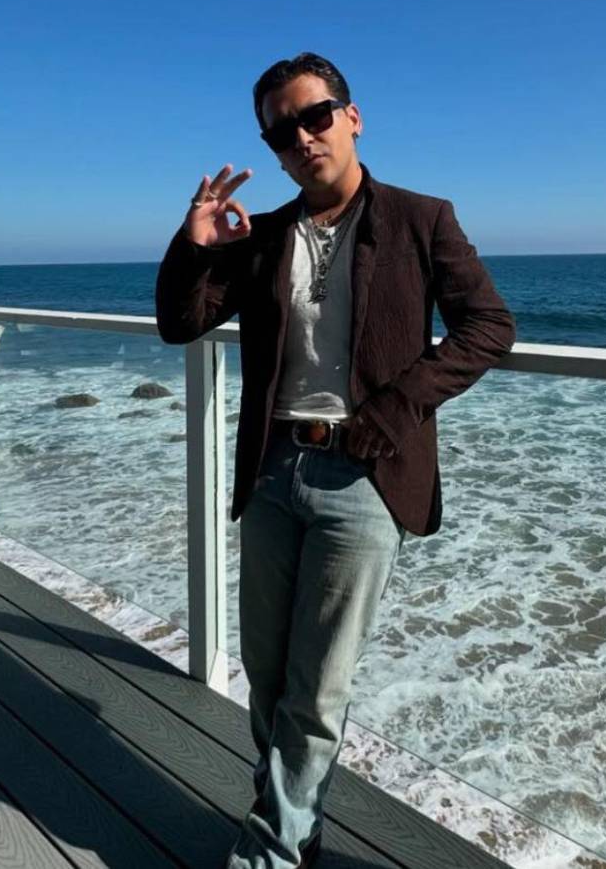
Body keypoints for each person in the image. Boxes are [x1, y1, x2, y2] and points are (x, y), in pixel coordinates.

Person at [155, 52, 516, 869]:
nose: (302, 138)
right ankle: (295, 818)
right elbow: (181, 324)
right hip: (272, 469)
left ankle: (273, 851)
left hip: (363, 478)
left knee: (317, 688)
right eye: (281, 132)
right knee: (267, 673)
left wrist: (392, 410)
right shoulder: (263, 236)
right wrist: (194, 244)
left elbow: (489, 326)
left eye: (315, 117)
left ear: (352, 117)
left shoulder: (423, 220)